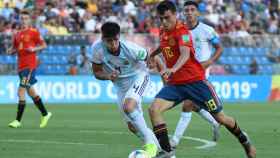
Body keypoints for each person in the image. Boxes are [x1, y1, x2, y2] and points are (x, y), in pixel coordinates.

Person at [148, 1, 256, 158]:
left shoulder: (183, 31)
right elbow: (164, 46)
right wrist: (153, 54)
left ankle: (245, 141)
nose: (164, 22)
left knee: (221, 118)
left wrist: (172, 69)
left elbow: (185, 54)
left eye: (167, 18)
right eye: (161, 19)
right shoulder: (163, 30)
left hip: (196, 82)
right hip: (176, 84)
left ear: (175, 15)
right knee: (153, 109)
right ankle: (167, 152)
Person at [91, 22, 159, 158]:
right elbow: (97, 72)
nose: (113, 44)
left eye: (115, 40)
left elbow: (151, 57)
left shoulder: (130, 48)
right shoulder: (97, 50)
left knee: (129, 106)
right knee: (132, 127)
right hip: (120, 85)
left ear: (119, 37)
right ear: (103, 39)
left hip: (139, 76)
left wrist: (161, 71)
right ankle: (163, 150)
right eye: (109, 41)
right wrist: (108, 76)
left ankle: (150, 145)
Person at [169, 0, 224, 147]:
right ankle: (215, 122)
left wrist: (210, 61)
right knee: (193, 104)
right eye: (186, 10)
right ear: (183, 13)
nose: (189, 12)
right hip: (186, 70)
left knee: (187, 104)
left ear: (197, 12)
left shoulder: (207, 30)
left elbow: (219, 48)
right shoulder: (181, 31)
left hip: (201, 71)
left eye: (192, 10)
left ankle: (174, 141)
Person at [7, 11, 52, 128]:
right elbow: (15, 48)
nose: (24, 20)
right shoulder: (17, 34)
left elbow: (44, 45)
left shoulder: (34, 32)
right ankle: (45, 114)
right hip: (20, 67)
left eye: (26, 18)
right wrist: (10, 51)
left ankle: (17, 121)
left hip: (29, 66)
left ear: (29, 20)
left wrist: (34, 49)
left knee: (20, 91)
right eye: (22, 18)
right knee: (31, 92)